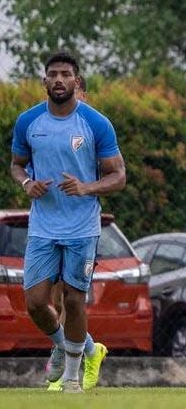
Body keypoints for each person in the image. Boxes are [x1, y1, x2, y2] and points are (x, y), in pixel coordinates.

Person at [10, 52, 125, 394]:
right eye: (53, 74)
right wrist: (26, 184)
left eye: (65, 74)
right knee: (34, 303)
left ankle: (72, 379)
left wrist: (87, 186)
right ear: (44, 81)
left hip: (81, 227)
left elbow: (119, 175)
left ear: (77, 81)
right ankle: (73, 346)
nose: (59, 79)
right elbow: (17, 165)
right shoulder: (28, 122)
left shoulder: (96, 123)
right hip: (43, 226)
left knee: (74, 300)